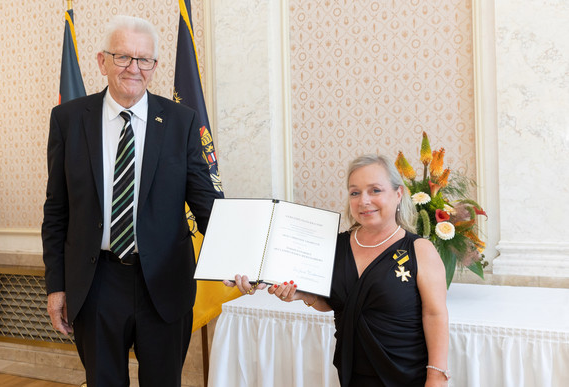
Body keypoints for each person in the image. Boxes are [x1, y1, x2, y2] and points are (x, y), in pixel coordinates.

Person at [42, 15, 223, 386]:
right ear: (102, 61)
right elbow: (57, 211)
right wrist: (56, 286)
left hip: (164, 284)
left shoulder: (181, 121)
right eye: (123, 57)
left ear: (155, 67)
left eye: (144, 60)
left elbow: (207, 204)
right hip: (95, 283)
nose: (134, 68)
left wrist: (244, 255)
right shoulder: (68, 120)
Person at [226, 154, 449, 387]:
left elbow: (435, 314)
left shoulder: (419, 250)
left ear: (398, 194)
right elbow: (335, 301)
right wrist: (300, 293)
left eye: (375, 190)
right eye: (355, 192)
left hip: (407, 374)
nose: (363, 200)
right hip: (353, 373)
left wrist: (436, 376)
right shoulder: (334, 246)